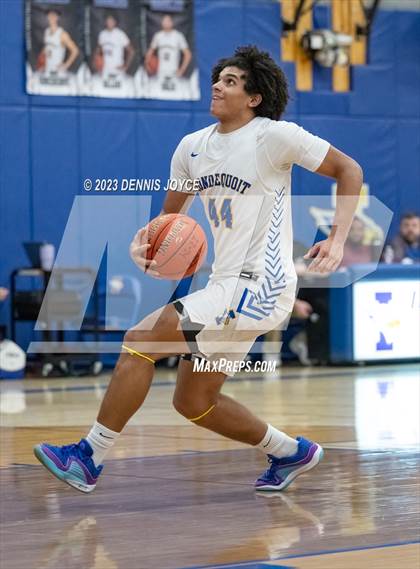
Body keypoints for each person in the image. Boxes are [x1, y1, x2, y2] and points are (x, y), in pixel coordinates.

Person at [34, 46, 363, 493]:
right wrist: (146, 246)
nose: (217, 86)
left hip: (260, 287)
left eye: (231, 81)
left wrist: (338, 238)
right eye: (218, 79)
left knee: (140, 341)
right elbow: (170, 220)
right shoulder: (191, 148)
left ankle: (89, 456)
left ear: (254, 98)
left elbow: (349, 168)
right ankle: (291, 452)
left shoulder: (275, 137)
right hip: (226, 285)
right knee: (194, 401)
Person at [145, 13, 191, 91]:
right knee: (158, 92)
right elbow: (150, 52)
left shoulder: (178, 36)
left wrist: (182, 70)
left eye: (168, 21)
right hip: (160, 72)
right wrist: (147, 64)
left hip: (174, 72)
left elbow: (188, 54)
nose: (166, 23)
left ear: (172, 22)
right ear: (162, 23)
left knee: (175, 93)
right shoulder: (158, 36)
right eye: (164, 21)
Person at [38, 9, 79, 79]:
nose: (51, 17)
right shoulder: (46, 32)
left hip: (58, 71)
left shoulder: (62, 34)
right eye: (50, 15)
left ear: (57, 17)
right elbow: (47, 47)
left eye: (54, 15)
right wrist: (42, 59)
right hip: (47, 70)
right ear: (47, 17)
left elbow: (75, 50)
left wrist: (66, 65)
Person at [95, 13, 134, 83]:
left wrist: (126, 66)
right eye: (108, 21)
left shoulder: (120, 34)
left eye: (111, 21)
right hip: (105, 70)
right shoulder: (102, 34)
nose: (109, 23)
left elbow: (131, 51)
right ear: (105, 22)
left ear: (115, 22)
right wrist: (97, 64)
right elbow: (98, 51)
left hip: (117, 69)